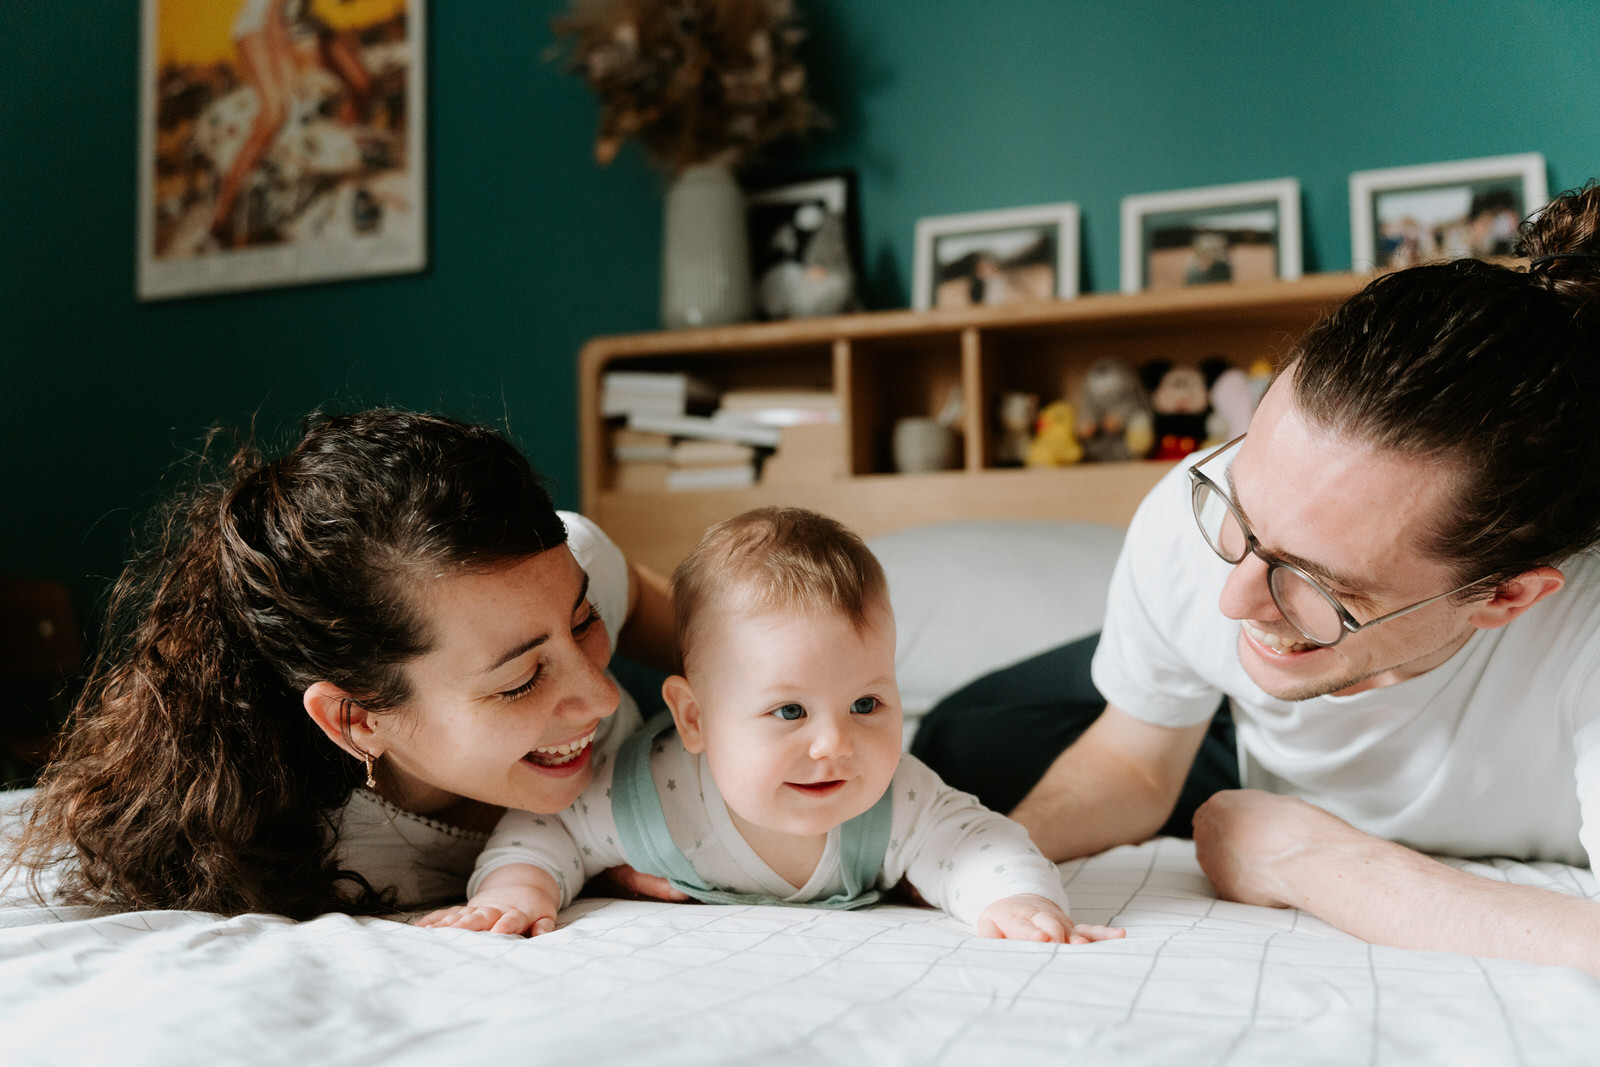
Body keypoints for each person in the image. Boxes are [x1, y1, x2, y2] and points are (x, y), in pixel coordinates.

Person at [914, 182, 1600, 973]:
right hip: (1252, 718)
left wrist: (1307, 859)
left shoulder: (1581, 628)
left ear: (1506, 595)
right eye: (1242, 514)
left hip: (1263, 758)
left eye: (1324, 582)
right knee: (954, 742)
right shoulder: (1192, 520)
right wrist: (1001, 869)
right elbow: (1139, 761)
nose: (1231, 596)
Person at [2, 408, 677, 920]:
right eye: (521, 680)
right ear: (356, 718)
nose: (602, 695)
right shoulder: (312, 856)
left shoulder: (559, 571)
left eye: (583, 621)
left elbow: (734, 650)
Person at [420, 507, 1123, 945]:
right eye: (789, 710)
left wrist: (1015, 898)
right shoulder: (644, 795)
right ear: (693, 717)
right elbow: (550, 829)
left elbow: (978, 840)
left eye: (868, 703)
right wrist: (518, 891)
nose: (834, 743)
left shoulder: (894, 799)